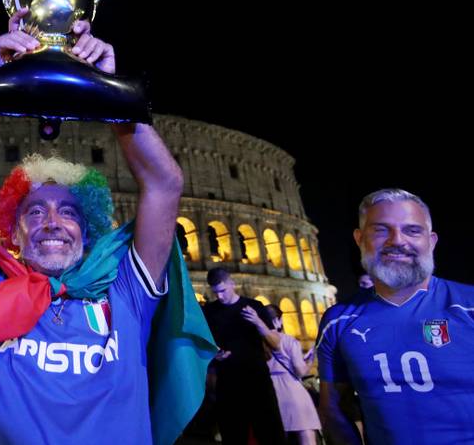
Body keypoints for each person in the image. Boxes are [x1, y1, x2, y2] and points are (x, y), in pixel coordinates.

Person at [0, 10, 216, 445]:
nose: (53, 223)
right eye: (35, 212)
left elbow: (165, 183)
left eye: (69, 212)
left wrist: (112, 96)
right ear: (14, 232)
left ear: (89, 228)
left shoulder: (125, 292)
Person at [317, 188, 474, 444]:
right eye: (380, 229)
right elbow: (333, 410)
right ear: (359, 239)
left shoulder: (469, 305)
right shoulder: (338, 321)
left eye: (412, 230)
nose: (397, 240)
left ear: (431, 241)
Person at [202, 267, 287, 445]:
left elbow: (276, 343)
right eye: (215, 292)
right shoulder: (209, 312)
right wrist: (215, 354)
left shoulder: (254, 307)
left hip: (257, 380)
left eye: (223, 291)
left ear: (232, 283)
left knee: (270, 433)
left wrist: (257, 322)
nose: (220, 296)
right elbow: (204, 344)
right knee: (233, 435)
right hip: (227, 382)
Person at [259, 304, 321, 444]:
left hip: (269, 391)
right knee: (306, 433)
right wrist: (309, 362)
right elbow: (300, 371)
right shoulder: (288, 340)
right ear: (278, 320)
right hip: (291, 389)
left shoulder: (256, 343)